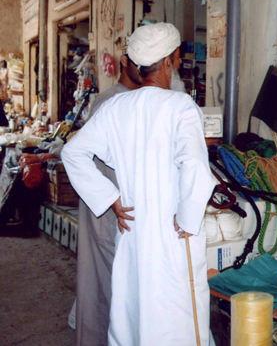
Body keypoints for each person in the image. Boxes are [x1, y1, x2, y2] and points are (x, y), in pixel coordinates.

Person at [62, 22, 216, 345]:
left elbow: (73, 153)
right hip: (173, 239)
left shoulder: (115, 108)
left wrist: (111, 198)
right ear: (169, 62)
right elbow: (197, 169)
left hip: (131, 235)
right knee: (179, 325)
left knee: (133, 319)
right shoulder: (181, 107)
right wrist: (187, 219)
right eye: (176, 58)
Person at [73, 52, 142, 346]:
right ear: (126, 61)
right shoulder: (110, 101)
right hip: (106, 210)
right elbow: (82, 157)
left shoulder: (141, 100)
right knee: (103, 289)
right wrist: (112, 199)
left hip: (122, 210)